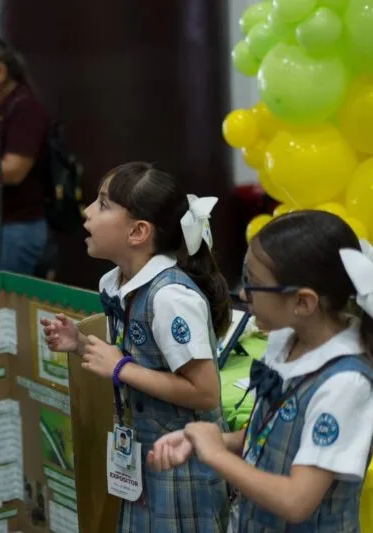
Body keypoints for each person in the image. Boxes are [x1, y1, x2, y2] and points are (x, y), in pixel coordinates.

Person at [148, 210, 373, 532]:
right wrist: (210, 440)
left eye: (254, 283)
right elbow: (269, 434)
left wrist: (216, 454)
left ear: (304, 302)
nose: (244, 294)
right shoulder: (287, 341)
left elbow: (297, 501)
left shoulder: (346, 383)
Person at [42, 162, 232, 531]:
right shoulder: (115, 284)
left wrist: (120, 368)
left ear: (138, 231)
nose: (87, 213)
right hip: (146, 456)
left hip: (185, 464)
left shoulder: (171, 297)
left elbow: (206, 393)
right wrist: (81, 344)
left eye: (103, 204)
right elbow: (135, 358)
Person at [0, 38, 50, 276]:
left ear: (0, 71)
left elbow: (14, 171)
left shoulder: (24, 107)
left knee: (12, 307)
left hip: (19, 228)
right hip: (3, 225)